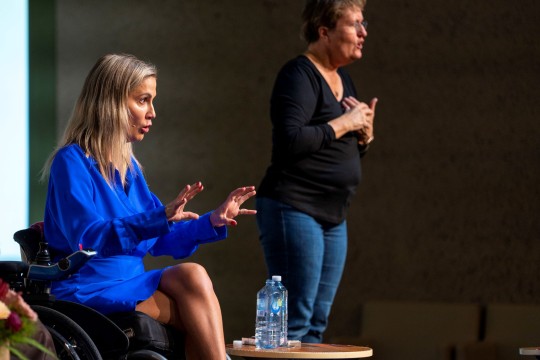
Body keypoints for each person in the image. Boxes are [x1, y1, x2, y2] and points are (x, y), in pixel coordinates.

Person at [42, 53, 256, 359]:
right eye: (143, 100)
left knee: (192, 275)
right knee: (196, 317)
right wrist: (158, 218)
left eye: (151, 101)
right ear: (112, 103)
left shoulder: (130, 171)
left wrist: (213, 221)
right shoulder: (71, 162)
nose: (152, 112)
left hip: (129, 283)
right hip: (88, 288)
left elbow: (159, 235)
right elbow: (87, 237)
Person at [256, 0, 377, 343]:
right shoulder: (299, 75)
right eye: (355, 24)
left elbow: (332, 150)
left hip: (333, 215)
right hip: (294, 206)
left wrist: (364, 138)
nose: (363, 32)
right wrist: (344, 123)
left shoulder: (345, 80)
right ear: (325, 32)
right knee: (294, 323)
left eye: (364, 24)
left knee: (316, 326)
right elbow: (289, 141)